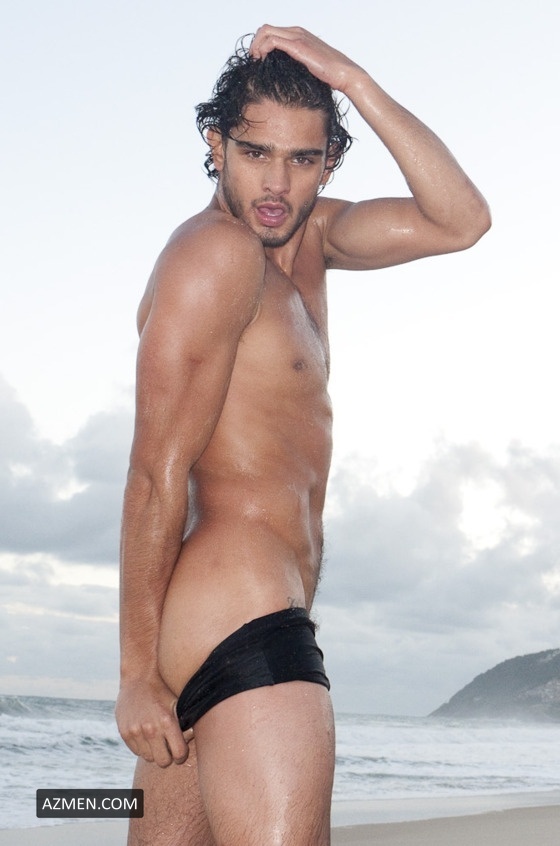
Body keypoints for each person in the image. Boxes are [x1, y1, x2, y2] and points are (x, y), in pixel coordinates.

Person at [115, 24, 490, 846]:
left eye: (303, 159)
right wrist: (136, 674)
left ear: (329, 162)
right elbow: (154, 472)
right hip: (244, 619)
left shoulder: (311, 239)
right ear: (215, 144)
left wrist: (353, 79)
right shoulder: (214, 258)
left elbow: (461, 219)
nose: (277, 184)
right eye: (255, 153)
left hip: (220, 627)